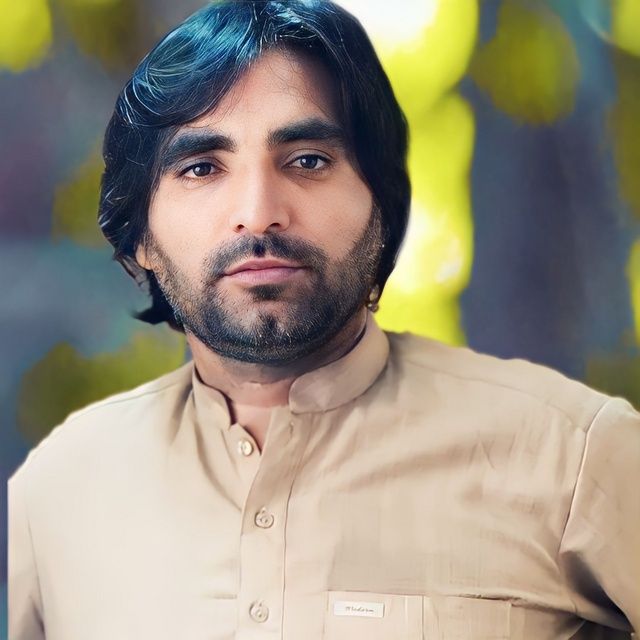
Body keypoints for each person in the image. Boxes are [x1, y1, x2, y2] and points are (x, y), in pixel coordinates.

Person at [8, 1, 639, 638]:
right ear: (140, 235)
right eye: (202, 167)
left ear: (381, 206)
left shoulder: (573, 456)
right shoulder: (62, 489)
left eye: (307, 160)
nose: (258, 212)